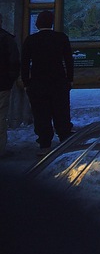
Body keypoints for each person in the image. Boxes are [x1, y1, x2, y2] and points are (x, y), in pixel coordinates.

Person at [21, 10, 74, 154]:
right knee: (61, 112)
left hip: (38, 83)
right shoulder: (61, 38)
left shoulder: (30, 40)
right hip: (58, 82)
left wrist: (26, 82)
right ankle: (64, 139)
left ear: (38, 23)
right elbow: (69, 60)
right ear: (51, 23)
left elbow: (24, 63)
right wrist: (69, 79)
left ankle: (44, 144)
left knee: (41, 114)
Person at [0, 15, 21, 158]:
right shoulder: (6, 39)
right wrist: (10, 80)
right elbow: (14, 62)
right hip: (2, 85)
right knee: (1, 118)